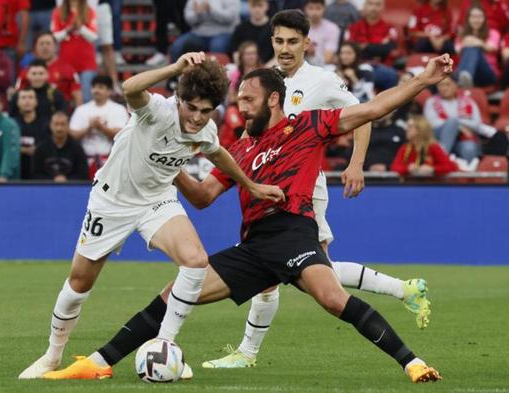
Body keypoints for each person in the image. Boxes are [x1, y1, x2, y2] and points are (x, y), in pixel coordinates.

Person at [43, 55, 452, 383]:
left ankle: (412, 363)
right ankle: (97, 361)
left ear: (273, 100)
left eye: (247, 98)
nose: (240, 104)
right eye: (238, 98)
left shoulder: (308, 125)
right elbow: (202, 198)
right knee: (175, 295)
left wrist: (422, 80)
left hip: (293, 232)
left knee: (331, 299)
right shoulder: (237, 149)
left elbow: (375, 108)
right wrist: (164, 162)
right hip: (254, 246)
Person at [17, 52, 285, 379]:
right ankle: (52, 355)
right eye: (192, 108)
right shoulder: (157, 111)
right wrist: (174, 68)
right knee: (79, 283)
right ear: (179, 99)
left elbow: (219, 153)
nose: (198, 117)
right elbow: (130, 88)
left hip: (156, 201)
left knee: (196, 261)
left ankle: (165, 346)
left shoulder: (205, 129)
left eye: (206, 110)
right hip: (112, 201)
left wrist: (251, 185)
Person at [202, 9, 430, 370]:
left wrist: (356, 163)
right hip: (262, 187)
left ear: (308, 43)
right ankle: (403, 289)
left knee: (301, 272)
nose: (285, 48)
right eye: (279, 40)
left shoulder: (322, 80)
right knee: (301, 271)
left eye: (293, 41)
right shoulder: (264, 79)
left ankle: (247, 353)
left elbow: (363, 114)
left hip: (304, 186)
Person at [423, 75, 494, 162]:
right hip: (439, 139)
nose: (444, 88)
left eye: (447, 84)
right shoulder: (431, 102)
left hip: (461, 140)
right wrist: (459, 127)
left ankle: (467, 172)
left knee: (469, 148)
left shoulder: (468, 101)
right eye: (441, 85)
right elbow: (433, 124)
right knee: (452, 122)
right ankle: (441, 159)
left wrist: (458, 122)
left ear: (455, 85)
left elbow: (476, 123)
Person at [69, 75, 127, 178]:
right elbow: (72, 135)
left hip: (110, 161)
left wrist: (101, 127)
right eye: (94, 87)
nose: (96, 90)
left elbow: (122, 135)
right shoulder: (81, 109)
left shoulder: (118, 109)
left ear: (109, 91)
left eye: (100, 87)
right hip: (84, 161)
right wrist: (89, 128)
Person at [16, 31, 83, 107]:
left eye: (48, 43)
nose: (45, 47)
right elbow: (17, 95)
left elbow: (77, 96)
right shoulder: (27, 71)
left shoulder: (68, 70)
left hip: (61, 113)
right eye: (41, 44)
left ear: (56, 47)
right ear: (35, 48)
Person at [51, 0, 98, 102]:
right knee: (65, 97)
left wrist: (80, 28)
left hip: (87, 63)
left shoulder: (89, 11)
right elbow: (54, 37)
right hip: (66, 62)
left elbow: (94, 37)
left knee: (86, 97)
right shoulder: (58, 12)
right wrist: (68, 30)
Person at [170, 0, 240, 62]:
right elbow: (188, 20)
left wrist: (211, 9)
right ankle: (174, 75)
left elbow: (230, 18)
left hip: (222, 33)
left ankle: (216, 76)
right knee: (177, 46)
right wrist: (197, 14)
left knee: (217, 48)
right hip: (198, 33)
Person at [391, 115, 458, 177]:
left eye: (410, 127)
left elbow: (450, 166)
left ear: (420, 130)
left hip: (431, 186)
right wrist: (407, 168)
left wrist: (432, 169)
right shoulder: (405, 148)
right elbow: (394, 167)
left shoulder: (433, 147)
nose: (406, 129)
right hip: (410, 186)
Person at [33, 110, 89, 181]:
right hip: (46, 188)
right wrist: (52, 180)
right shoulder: (41, 148)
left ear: (68, 126)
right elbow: (35, 174)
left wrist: (67, 180)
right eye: (56, 124)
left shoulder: (77, 148)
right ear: (50, 125)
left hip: (71, 188)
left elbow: (83, 174)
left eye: (62, 124)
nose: (59, 128)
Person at [10, 59, 68, 125]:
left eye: (41, 73)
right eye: (34, 73)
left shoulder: (56, 95)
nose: (37, 77)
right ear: (27, 75)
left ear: (47, 75)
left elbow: (63, 118)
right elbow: (12, 119)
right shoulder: (19, 96)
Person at [455, 5, 500, 88]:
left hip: (487, 74)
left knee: (474, 48)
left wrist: (477, 42)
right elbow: (457, 51)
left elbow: (491, 48)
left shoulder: (493, 33)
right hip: (466, 70)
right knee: (471, 48)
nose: (476, 20)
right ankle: (466, 78)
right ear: (468, 19)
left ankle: (465, 77)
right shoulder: (461, 35)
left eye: (479, 17)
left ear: (485, 19)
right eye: (473, 17)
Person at [11, 87, 50, 179]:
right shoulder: (11, 124)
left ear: (36, 101)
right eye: (23, 98)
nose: (27, 101)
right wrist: (22, 150)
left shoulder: (46, 124)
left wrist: (37, 150)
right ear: (17, 102)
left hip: (40, 174)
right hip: (16, 173)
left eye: (31, 97)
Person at [230, 0, 274, 64]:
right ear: (248, 7)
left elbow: (278, 54)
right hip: (246, 69)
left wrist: (266, 68)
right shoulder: (240, 28)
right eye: (253, 6)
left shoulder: (274, 28)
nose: (257, 9)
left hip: (269, 68)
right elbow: (236, 53)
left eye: (260, 5)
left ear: (267, 6)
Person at [304, 0, 340, 67]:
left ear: (324, 9)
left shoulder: (332, 28)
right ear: (305, 9)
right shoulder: (298, 27)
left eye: (318, 8)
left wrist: (313, 53)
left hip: (323, 66)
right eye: (311, 8)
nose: (314, 12)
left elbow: (327, 58)